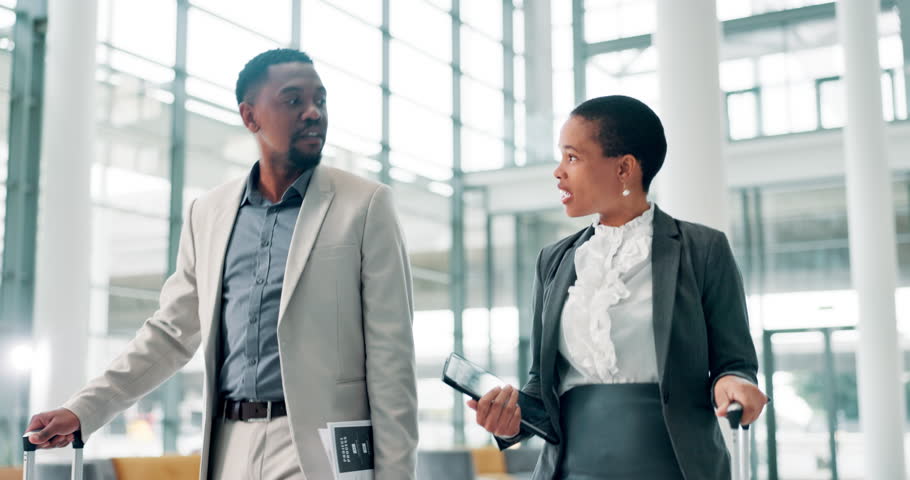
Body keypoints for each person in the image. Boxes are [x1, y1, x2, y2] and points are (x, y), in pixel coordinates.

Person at [24, 48, 419, 480]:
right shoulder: (208, 213)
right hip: (227, 443)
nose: (312, 113)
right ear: (250, 117)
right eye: (293, 100)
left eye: (320, 101)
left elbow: (390, 358)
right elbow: (171, 334)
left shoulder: (365, 206)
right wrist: (84, 409)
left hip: (319, 447)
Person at [469, 95, 767, 479]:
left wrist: (734, 384)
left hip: (675, 468)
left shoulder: (703, 250)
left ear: (624, 168)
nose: (558, 172)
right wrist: (511, 422)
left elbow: (734, 363)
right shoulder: (553, 261)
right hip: (570, 470)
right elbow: (541, 385)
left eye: (572, 157)